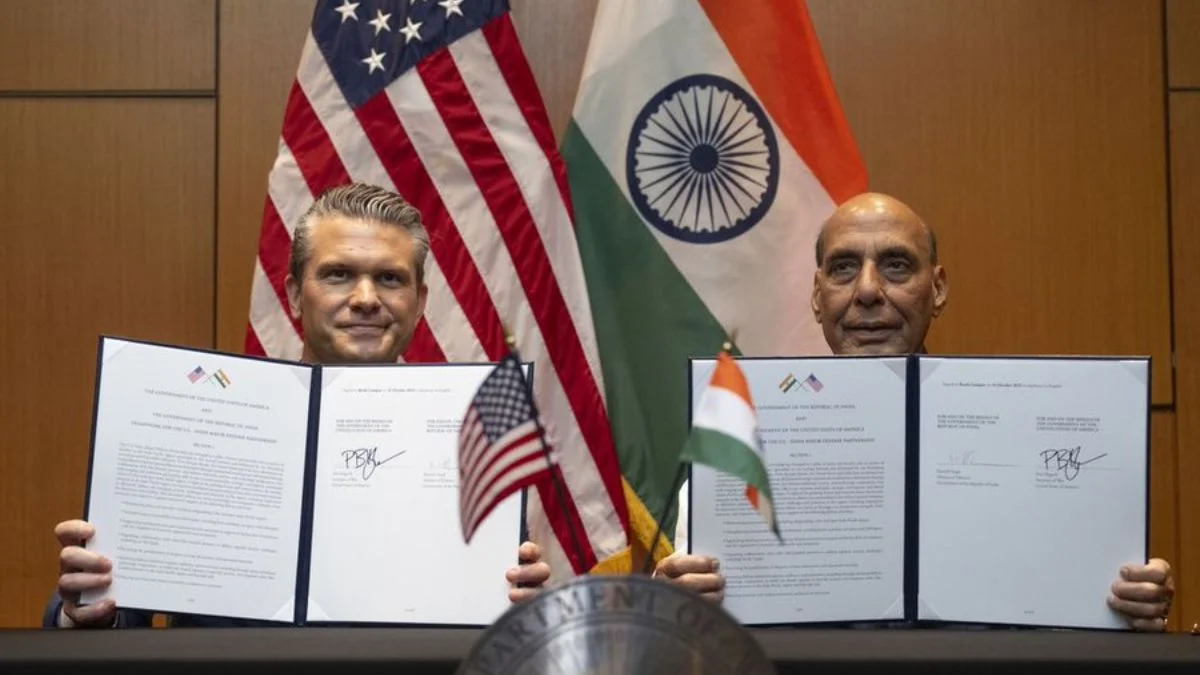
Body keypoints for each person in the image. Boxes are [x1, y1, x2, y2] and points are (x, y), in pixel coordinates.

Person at [508, 192, 1175, 632]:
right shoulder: (736, 438)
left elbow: (1069, 606)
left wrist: (1127, 603)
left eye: (897, 266)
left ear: (938, 288)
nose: (869, 292)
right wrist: (677, 600)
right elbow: (690, 623)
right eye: (844, 268)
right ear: (817, 294)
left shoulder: (1019, 425)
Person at [47, 182, 436, 628]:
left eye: (390, 278)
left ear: (419, 302)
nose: (366, 299)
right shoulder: (195, 427)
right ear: (294, 295)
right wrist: (85, 609)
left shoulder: (473, 449)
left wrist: (504, 599)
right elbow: (113, 610)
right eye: (338, 275)